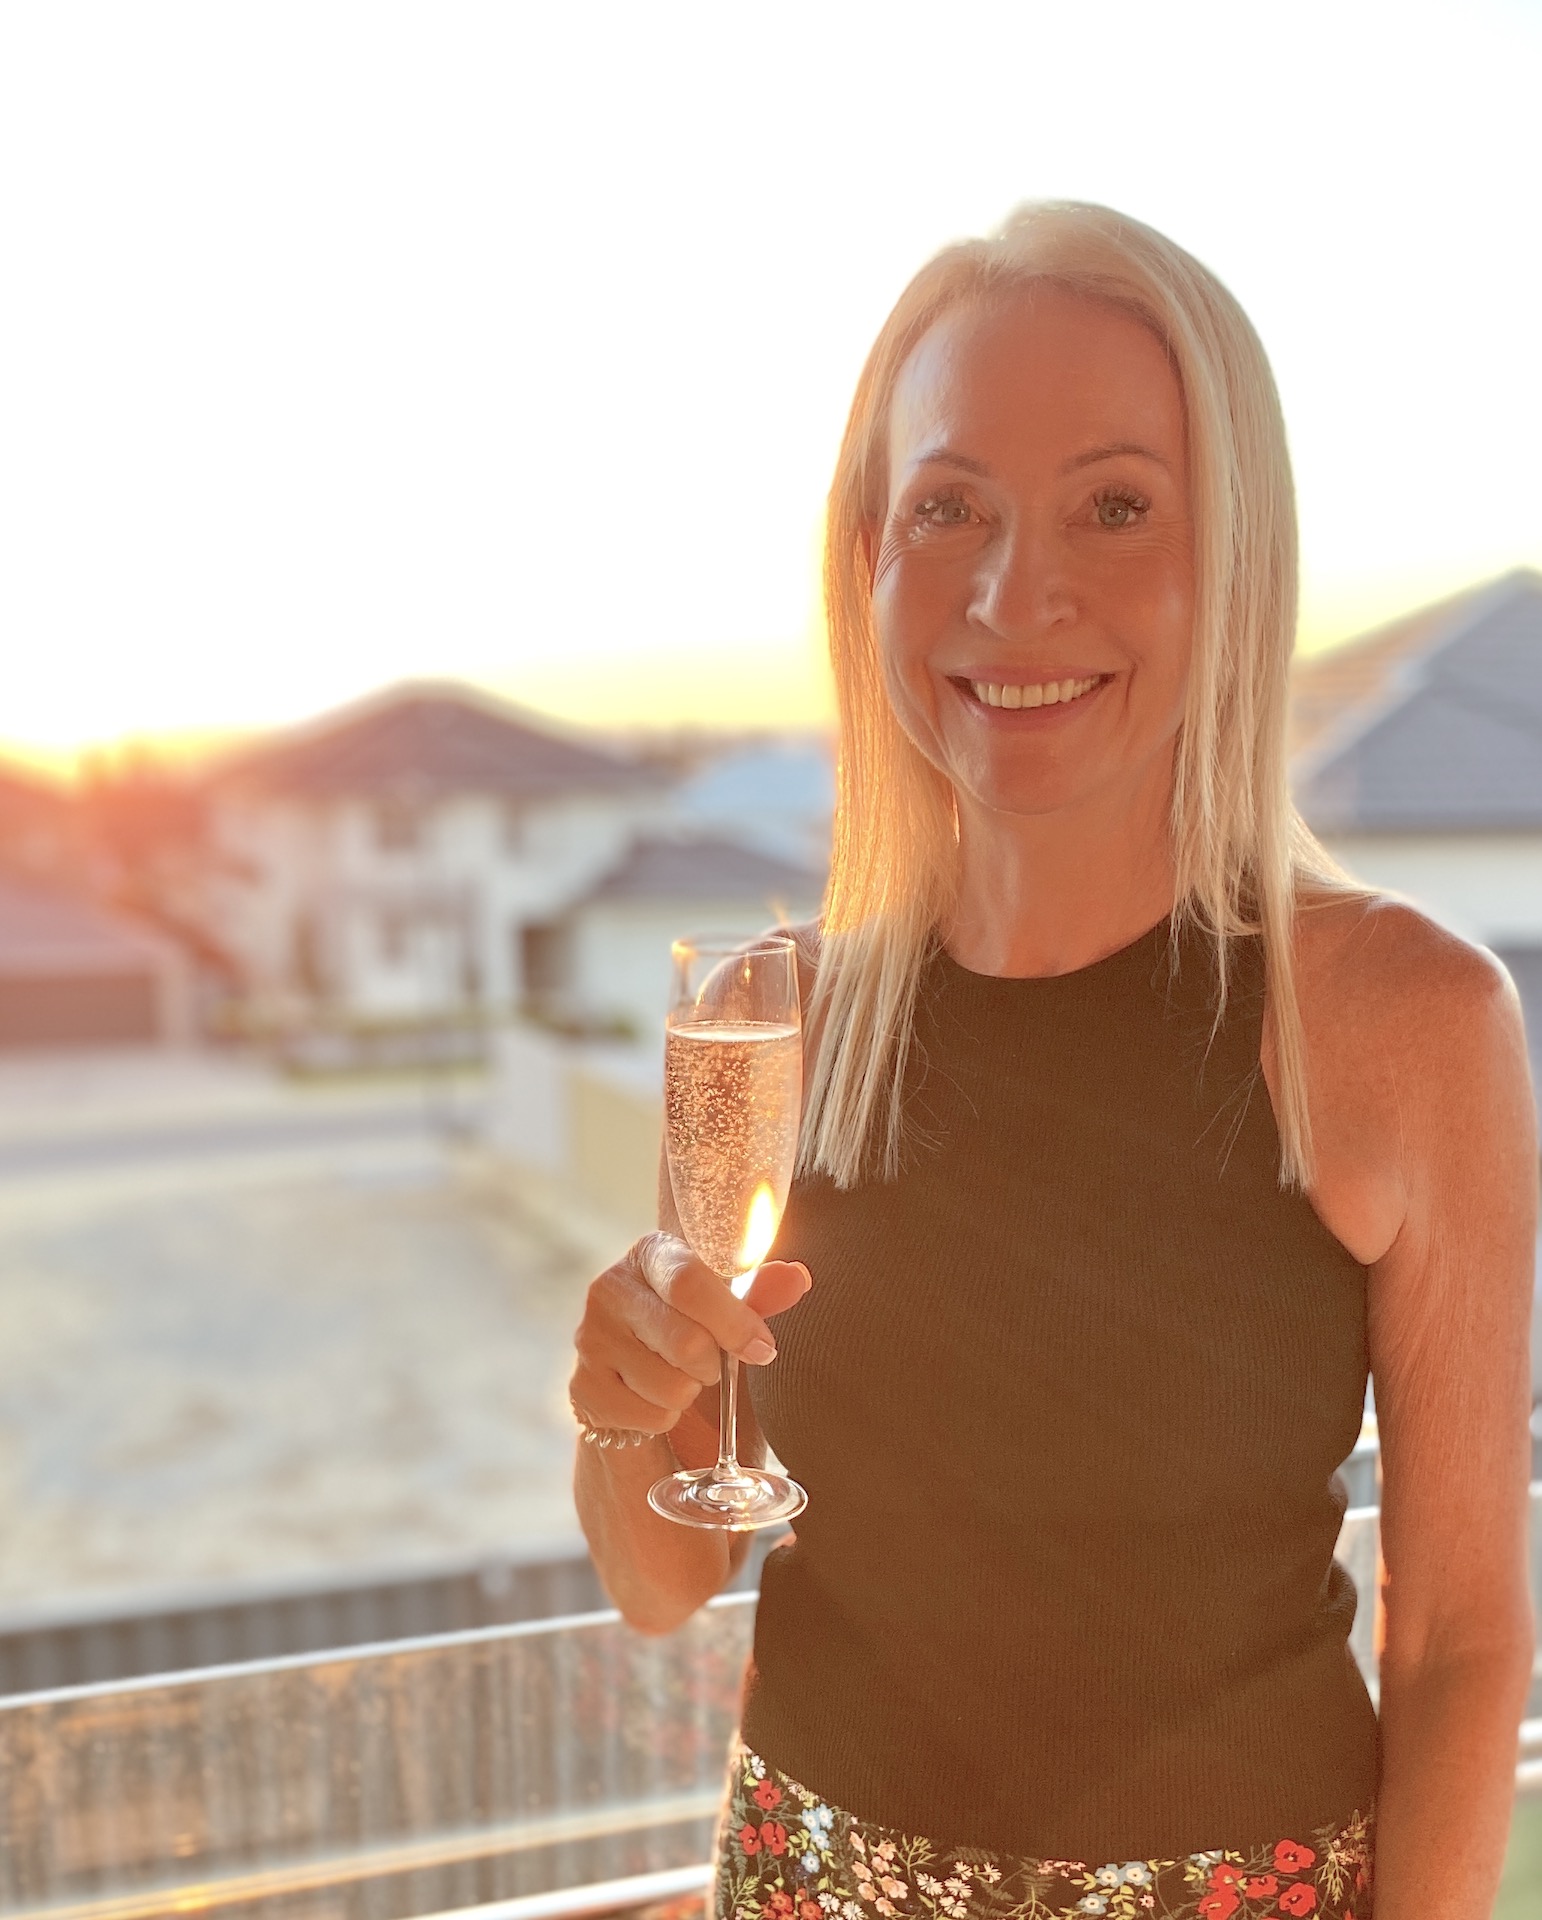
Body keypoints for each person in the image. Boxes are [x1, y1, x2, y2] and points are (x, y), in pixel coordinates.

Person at [568, 203, 1536, 1920]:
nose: (1016, 596)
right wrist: (615, 1402)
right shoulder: (773, 1019)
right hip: (804, 1881)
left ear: (1231, 559)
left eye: (1115, 505)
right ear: (868, 559)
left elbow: (1457, 1636)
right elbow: (663, 1579)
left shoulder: (1404, 1020)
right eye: (946, 508)